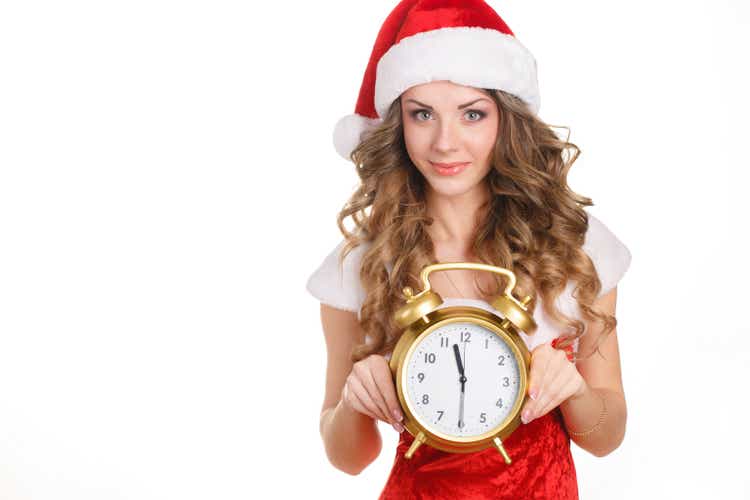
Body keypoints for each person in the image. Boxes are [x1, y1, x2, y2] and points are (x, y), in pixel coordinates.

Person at [306, 1, 632, 498]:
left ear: (506, 120)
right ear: (399, 125)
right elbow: (348, 458)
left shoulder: (572, 247)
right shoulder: (362, 263)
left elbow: (606, 439)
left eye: (472, 114)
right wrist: (355, 400)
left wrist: (575, 391)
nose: (444, 142)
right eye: (422, 115)